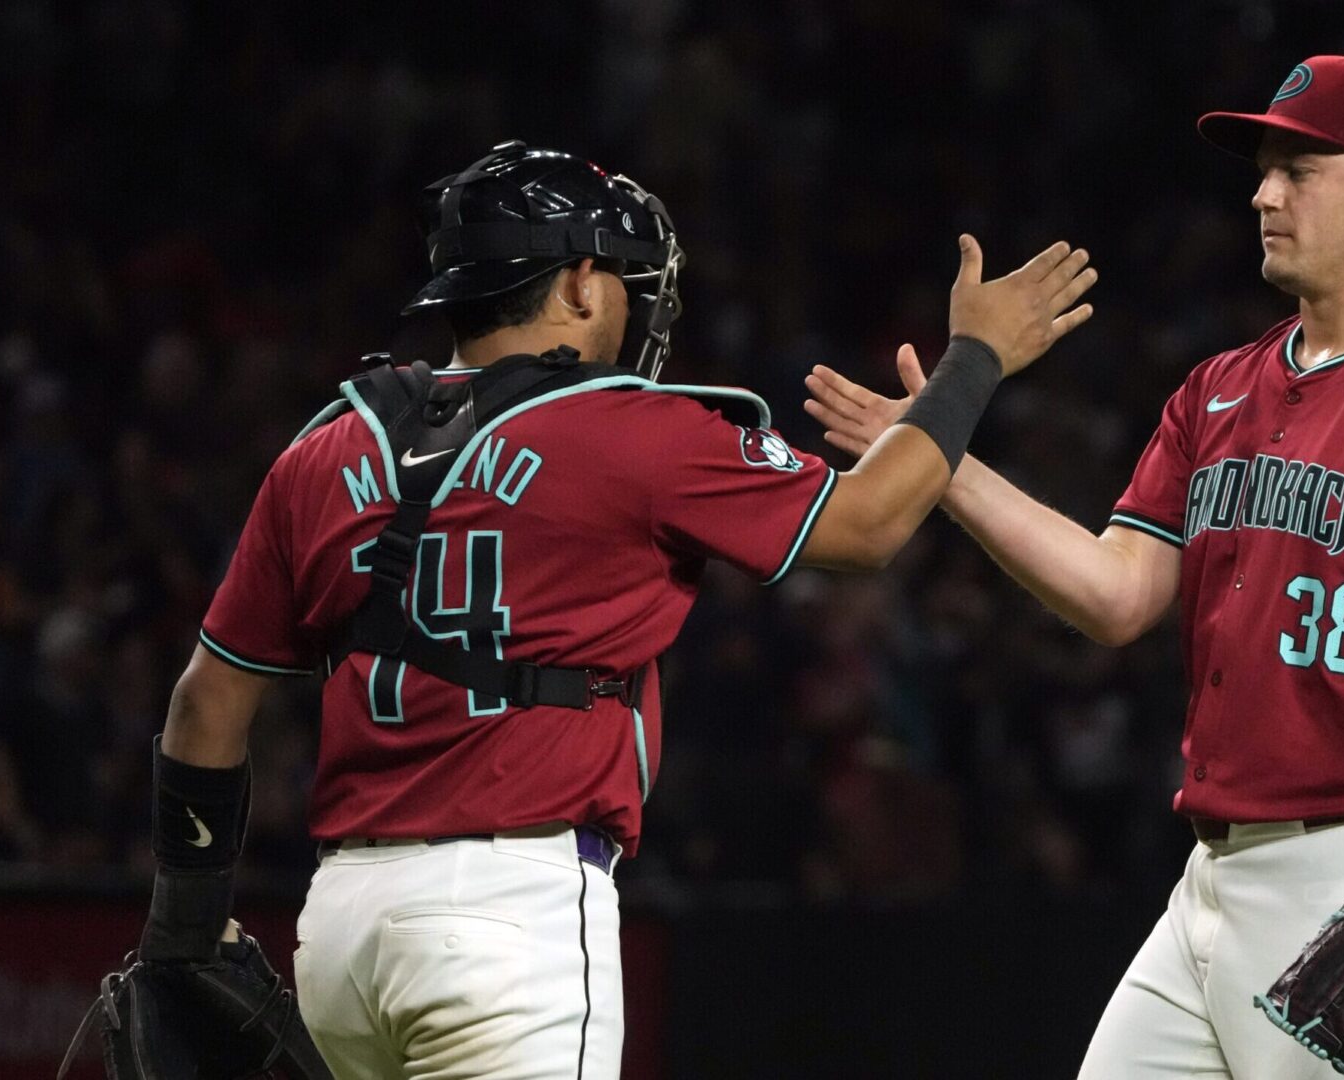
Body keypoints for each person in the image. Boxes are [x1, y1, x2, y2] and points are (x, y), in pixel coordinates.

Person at [138, 140, 1096, 1079]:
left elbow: (203, 707)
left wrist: (182, 931)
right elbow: (870, 523)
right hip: (511, 913)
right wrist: (976, 357)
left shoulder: (323, 451)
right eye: (632, 284)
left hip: (340, 931)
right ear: (582, 284)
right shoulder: (633, 432)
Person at [804, 57, 1344, 1079]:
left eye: (1297, 167)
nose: (1262, 193)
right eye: (1262, 170)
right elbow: (1118, 594)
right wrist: (944, 468)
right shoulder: (1221, 388)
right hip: (1215, 871)